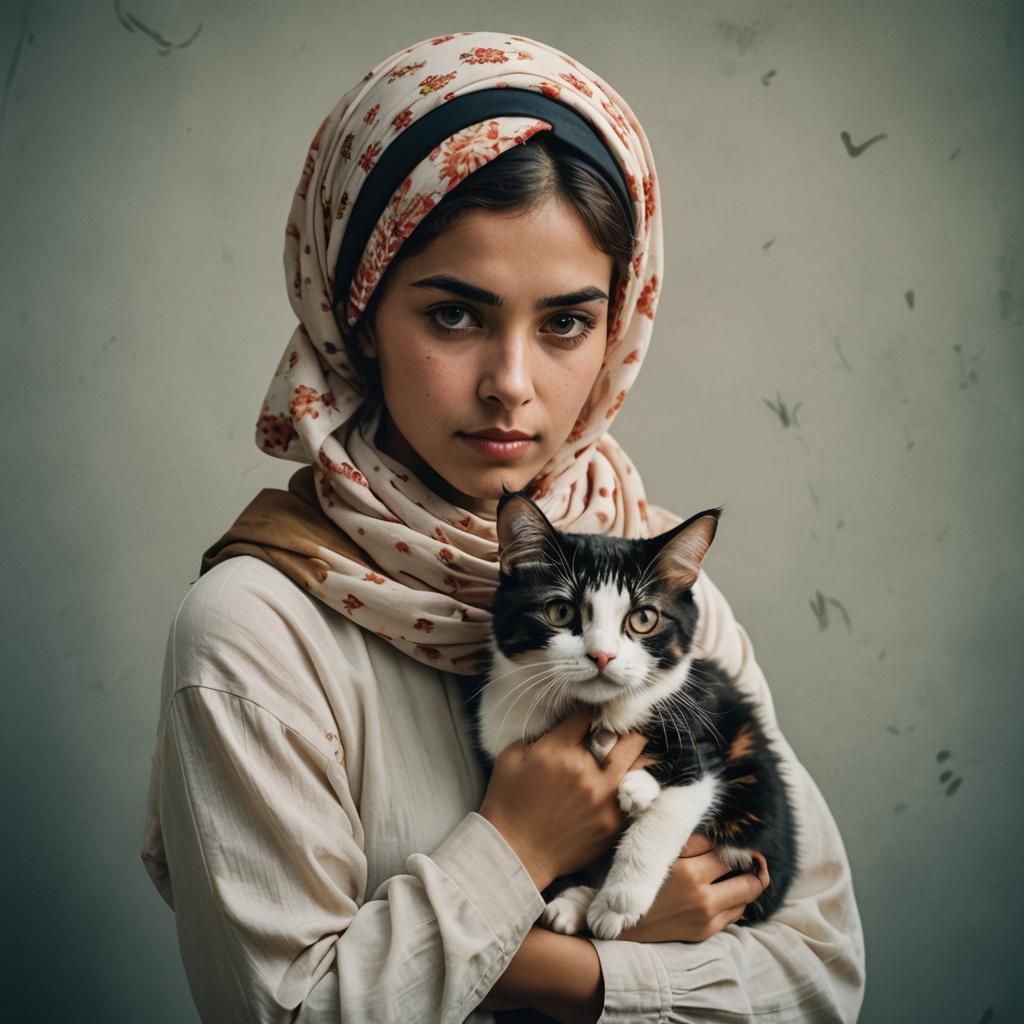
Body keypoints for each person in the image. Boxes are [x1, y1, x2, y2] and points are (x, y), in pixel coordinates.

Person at [140, 30, 865, 1023]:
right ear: (356, 315)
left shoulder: (670, 604)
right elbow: (286, 1013)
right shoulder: (255, 634)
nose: (511, 387)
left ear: (620, 329)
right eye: (453, 316)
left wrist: (562, 966)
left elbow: (821, 977)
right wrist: (519, 852)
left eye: (565, 322)